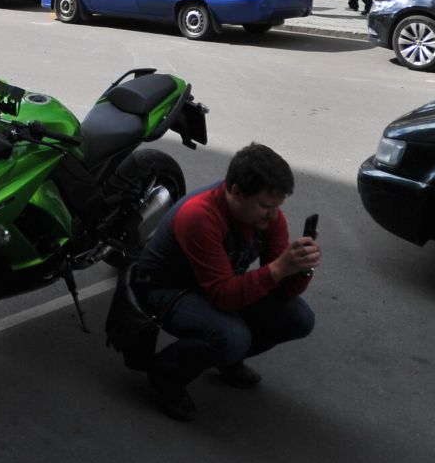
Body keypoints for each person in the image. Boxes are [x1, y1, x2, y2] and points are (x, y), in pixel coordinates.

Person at [133, 143, 319, 422]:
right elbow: (225, 297)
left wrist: (300, 269)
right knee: (233, 338)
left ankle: (226, 359)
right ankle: (165, 374)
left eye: (278, 206)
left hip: (214, 285)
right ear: (236, 192)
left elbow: (282, 290)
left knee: (299, 318)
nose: (273, 215)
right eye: (266, 206)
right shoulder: (200, 215)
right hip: (164, 290)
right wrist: (280, 268)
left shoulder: (270, 218)